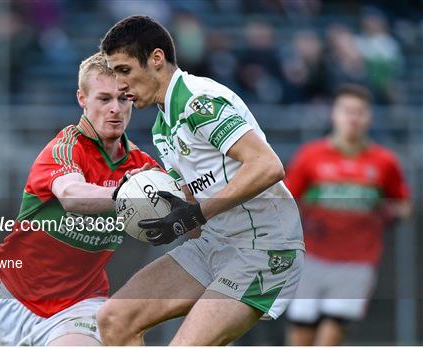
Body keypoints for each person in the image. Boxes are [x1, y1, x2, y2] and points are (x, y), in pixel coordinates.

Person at [97, 15, 305, 345]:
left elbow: (267, 166)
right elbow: (193, 222)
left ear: (156, 59)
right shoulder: (162, 128)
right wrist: (163, 203)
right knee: (114, 319)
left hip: (263, 247)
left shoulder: (198, 101)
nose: (119, 86)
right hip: (214, 243)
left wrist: (197, 214)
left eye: (124, 70)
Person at [0, 52, 158, 346]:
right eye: (104, 99)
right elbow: (71, 194)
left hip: (81, 304)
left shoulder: (144, 169)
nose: (115, 109)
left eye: (123, 99)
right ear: (82, 98)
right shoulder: (64, 148)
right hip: (17, 303)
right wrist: (125, 193)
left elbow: (189, 214)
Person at [284, 84, 412, 346]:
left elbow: (403, 204)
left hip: (357, 261)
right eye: (347, 111)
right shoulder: (311, 156)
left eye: (360, 112)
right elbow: (287, 200)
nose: (353, 117)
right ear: (334, 115)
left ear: (369, 117)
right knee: (301, 332)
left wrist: (393, 213)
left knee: (332, 331)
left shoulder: (384, 162)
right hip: (312, 256)